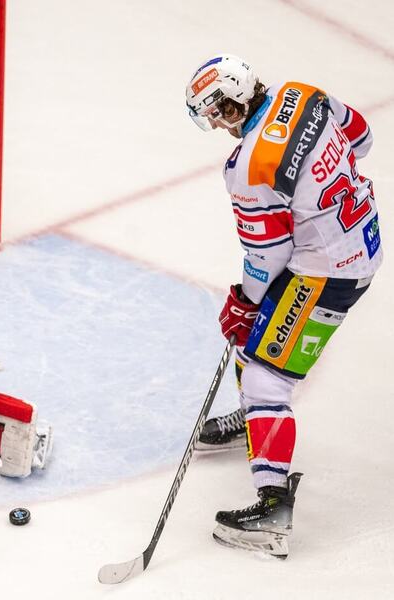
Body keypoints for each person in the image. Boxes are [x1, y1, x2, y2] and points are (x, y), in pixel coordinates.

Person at [185, 54, 382, 558]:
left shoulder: (251, 165)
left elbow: (267, 254)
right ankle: (255, 420)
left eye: (217, 114)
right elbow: (361, 137)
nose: (218, 126)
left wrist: (244, 301)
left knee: (266, 378)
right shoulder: (303, 94)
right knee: (261, 339)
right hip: (356, 239)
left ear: (231, 105)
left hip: (328, 270)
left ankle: (272, 509)